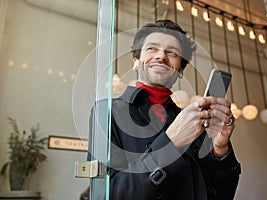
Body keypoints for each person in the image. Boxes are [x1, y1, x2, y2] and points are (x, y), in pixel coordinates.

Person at [89, 19, 241, 200]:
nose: (161, 56)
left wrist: (219, 150)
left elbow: (221, 195)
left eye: (172, 52)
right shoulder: (107, 112)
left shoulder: (192, 119)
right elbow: (108, 193)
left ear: (181, 70)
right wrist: (171, 143)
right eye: (152, 48)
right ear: (136, 61)